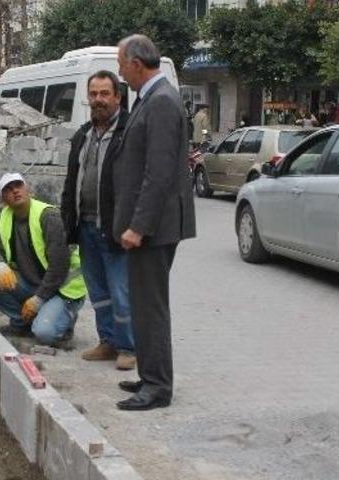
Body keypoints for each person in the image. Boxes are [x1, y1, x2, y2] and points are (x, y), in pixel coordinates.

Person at [113, 34, 196, 411]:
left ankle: (158, 388)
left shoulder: (161, 100)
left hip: (155, 228)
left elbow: (159, 173)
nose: (119, 71)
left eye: (120, 63)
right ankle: (150, 376)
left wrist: (138, 226)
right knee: (144, 303)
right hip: (151, 225)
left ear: (135, 63)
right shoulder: (153, 97)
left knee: (150, 307)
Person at [60, 70, 135, 370]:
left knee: (121, 291)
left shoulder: (129, 132)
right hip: (86, 225)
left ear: (117, 97)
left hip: (115, 227)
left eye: (105, 94)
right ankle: (107, 342)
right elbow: (71, 182)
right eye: (93, 94)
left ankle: (129, 347)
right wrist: (69, 224)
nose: (98, 100)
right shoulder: (82, 135)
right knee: (99, 292)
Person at [0, 173, 86, 346]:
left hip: (63, 288)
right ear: (3, 199)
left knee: (45, 334)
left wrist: (39, 299)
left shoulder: (48, 216)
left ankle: (64, 321)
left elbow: (59, 266)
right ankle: (22, 323)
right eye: (8, 189)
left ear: (28, 189)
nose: (15, 191)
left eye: (18, 186)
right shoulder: (4, 217)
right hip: (36, 282)